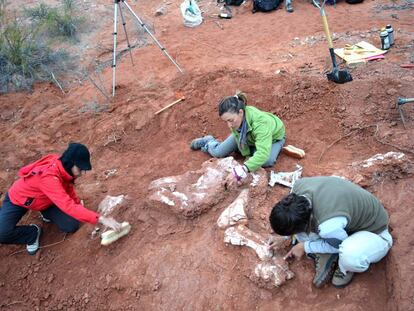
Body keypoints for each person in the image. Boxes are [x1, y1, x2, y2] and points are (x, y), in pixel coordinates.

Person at [268, 176, 392, 288]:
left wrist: (306, 247)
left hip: (374, 232)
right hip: (346, 217)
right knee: (304, 235)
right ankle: (326, 249)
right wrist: (284, 237)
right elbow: (295, 217)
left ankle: (345, 268)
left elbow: (339, 244)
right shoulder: (298, 188)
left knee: (349, 255)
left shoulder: (327, 225)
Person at [0, 143, 122, 255]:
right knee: (2, 233)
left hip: (46, 200)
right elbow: (68, 205)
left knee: (71, 225)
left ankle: (45, 213)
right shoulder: (49, 177)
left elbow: (68, 187)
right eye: (80, 169)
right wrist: (101, 219)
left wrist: (77, 204)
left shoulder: (62, 165)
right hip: (17, 200)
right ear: (70, 163)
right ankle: (32, 234)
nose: (81, 173)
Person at [190, 92, 285, 183]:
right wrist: (246, 154)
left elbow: (263, 154)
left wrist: (244, 168)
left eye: (231, 120)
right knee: (218, 152)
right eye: (226, 121)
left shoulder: (260, 124)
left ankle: (258, 148)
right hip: (248, 136)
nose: (229, 125)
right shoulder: (236, 121)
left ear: (240, 112)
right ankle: (209, 141)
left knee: (267, 160)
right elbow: (238, 137)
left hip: (273, 138)